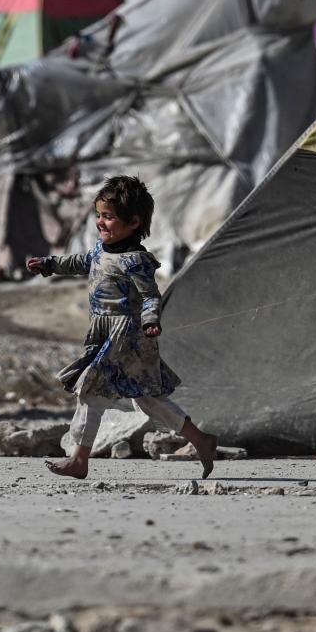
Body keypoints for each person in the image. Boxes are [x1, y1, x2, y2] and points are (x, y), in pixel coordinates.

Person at [26, 175, 217, 479]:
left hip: (127, 337)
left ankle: (79, 460)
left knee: (91, 390)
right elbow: (79, 262)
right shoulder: (101, 251)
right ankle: (201, 440)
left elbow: (150, 296)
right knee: (146, 399)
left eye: (109, 217)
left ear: (133, 222)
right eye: (99, 215)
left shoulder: (136, 260)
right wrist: (49, 265)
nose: (100, 222)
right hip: (105, 334)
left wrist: (151, 320)